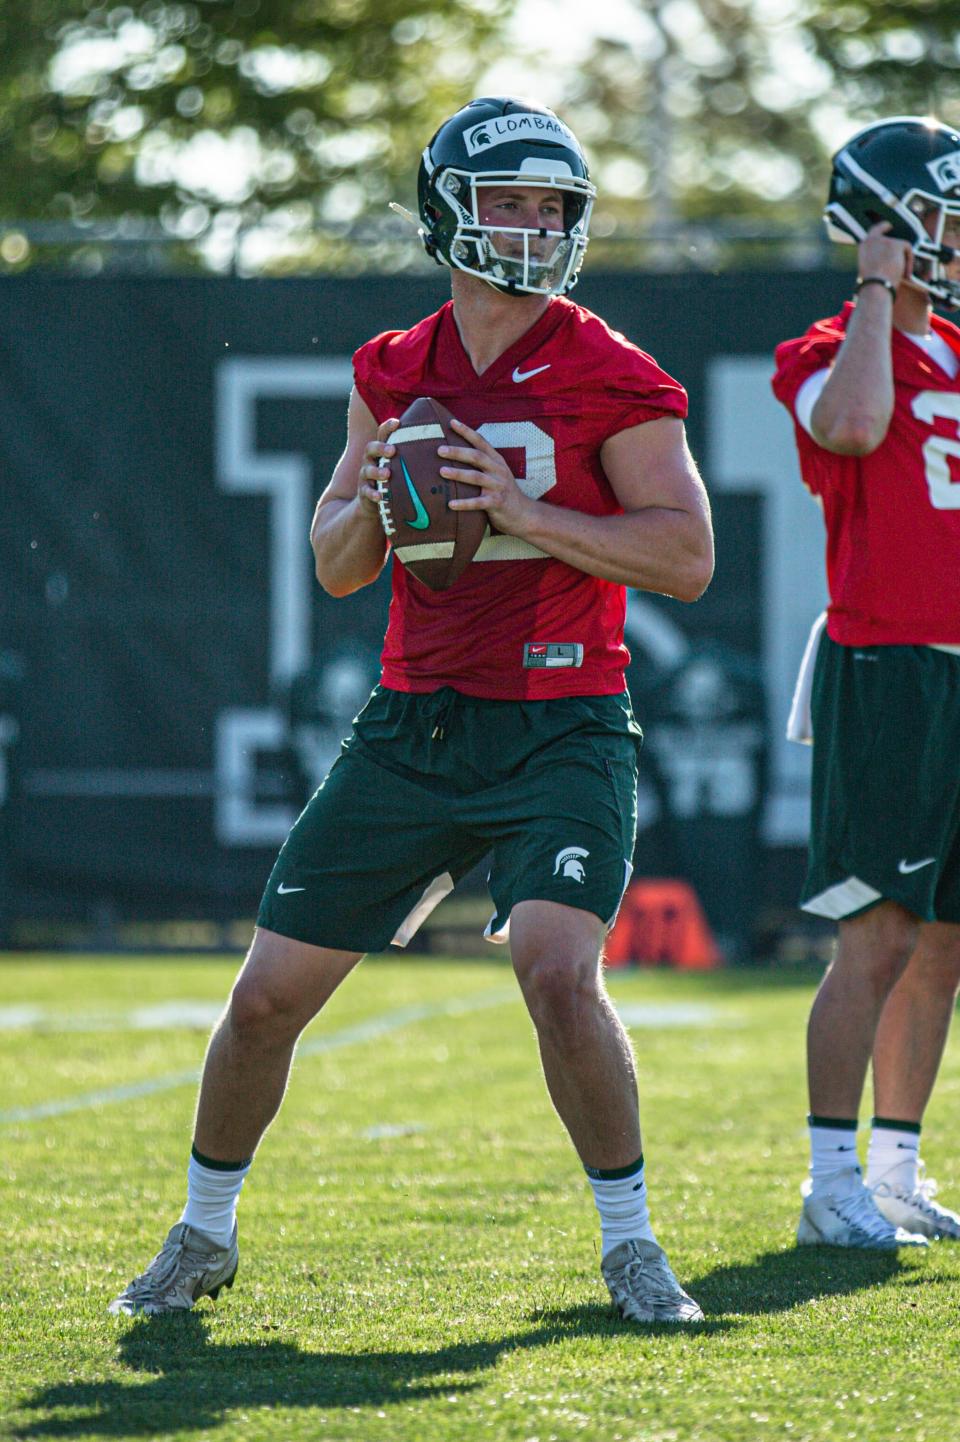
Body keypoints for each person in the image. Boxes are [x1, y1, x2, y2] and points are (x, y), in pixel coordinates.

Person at [109, 96, 714, 1323]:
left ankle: (632, 1242)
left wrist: (527, 510)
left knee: (555, 966)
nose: (537, 227)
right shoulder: (392, 369)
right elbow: (338, 561)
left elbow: (688, 555)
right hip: (415, 724)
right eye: (511, 203)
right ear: (450, 214)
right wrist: (381, 497)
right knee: (265, 995)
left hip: (562, 718)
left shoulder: (614, 373)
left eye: (554, 206)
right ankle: (204, 1231)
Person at [772, 116, 960, 1248]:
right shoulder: (832, 348)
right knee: (877, 931)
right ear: (885, 225)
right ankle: (828, 1174)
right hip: (884, 662)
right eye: (940, 216)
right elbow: (852, 425)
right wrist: (879, 293)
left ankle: (897, 1163)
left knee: (944, 936)